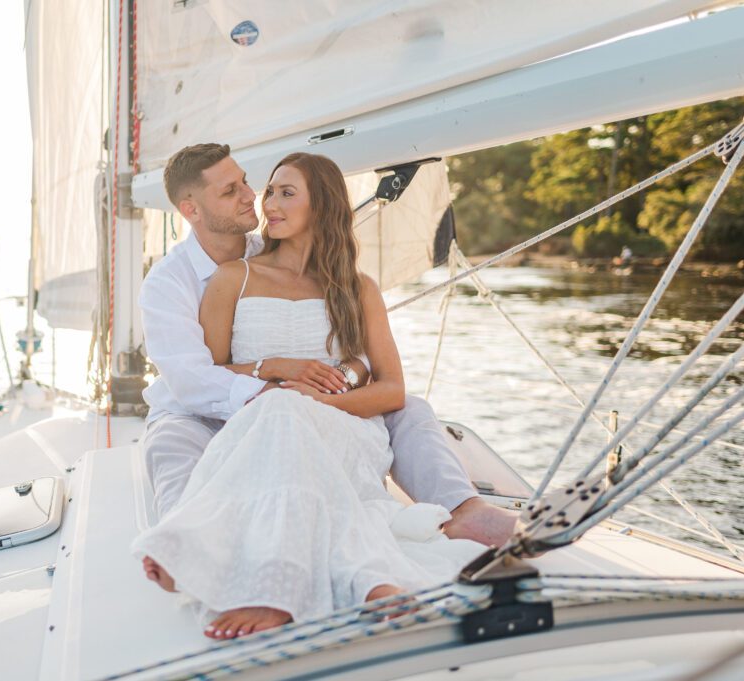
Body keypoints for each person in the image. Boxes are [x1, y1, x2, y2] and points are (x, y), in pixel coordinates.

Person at [132, 149, 499, 639]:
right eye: (235, 191)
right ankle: (195, 544)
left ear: (319, 208)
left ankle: (460, 508)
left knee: (410, 409)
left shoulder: (330, 274)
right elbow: (197, 378)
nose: (255, 200)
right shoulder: (178, 282)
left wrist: (337, 381)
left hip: (326, 414)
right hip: (205, 411)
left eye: (252, 185)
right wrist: (277, 377)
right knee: (181, 442)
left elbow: (375, 366)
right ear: (192, 210)